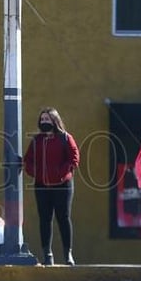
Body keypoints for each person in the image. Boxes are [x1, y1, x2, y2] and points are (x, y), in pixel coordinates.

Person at [23, 107, 80, 265]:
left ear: (55, 121)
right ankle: (47, 254)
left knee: (63, 218)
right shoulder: (37, 140)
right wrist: (36, 172)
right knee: (45, 219)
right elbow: (28, 161)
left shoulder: (65, 138)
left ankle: (68, 254)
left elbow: (74, 159)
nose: (44, 122)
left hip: (63, 185)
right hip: (41, 186)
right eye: (42, 120)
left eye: (47, 119)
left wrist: (60, 173)